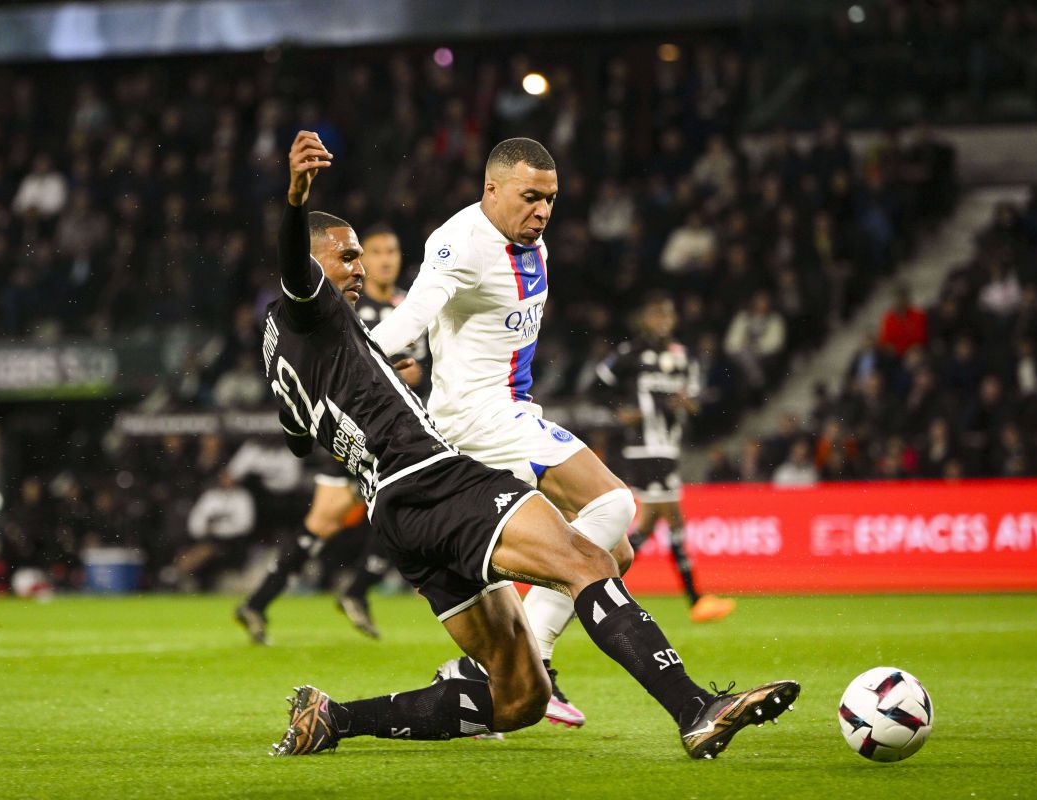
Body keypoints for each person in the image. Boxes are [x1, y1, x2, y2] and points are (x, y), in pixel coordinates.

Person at [264, 131, 798, 759]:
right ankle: (694, 708)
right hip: (437, 476)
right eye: (347, 258)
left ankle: (332, 718)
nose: (362, 270)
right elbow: (308, 277)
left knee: (520, 698)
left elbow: (299, 437)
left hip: (396, 512)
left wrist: (367, 381)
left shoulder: (281, 350)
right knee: (590, 558)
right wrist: (296, 198)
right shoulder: (316, 307)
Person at [370, 137, 640, 728]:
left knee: (614, 550)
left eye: (550, 199)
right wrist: (352, 363)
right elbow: (413, 317)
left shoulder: (530, 242)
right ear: (491, 189)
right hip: (477, 416)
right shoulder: (457, 242)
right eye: (529, 197)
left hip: (513, 412)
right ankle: (535, 653)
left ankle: (494, 667)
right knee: (613, 501)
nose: (542, 211)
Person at [235, 223, 421, 643]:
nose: (385, 260)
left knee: (375, 512)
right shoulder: (341, 304)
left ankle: (265, 602)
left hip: (391, 427)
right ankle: (343, 592)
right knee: (342, 518)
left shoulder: (409, 308)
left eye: (392, 251)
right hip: (351, 428)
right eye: (374, 253)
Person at [596, 293, 736, 623]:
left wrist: (689, 405)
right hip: (645, 447)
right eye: (656, 315)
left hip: (669, 446)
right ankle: (695, 599)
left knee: (652, 523)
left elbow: (696, 402)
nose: (663, 321)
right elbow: (598, 385)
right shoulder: (631, 354)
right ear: (646, 319)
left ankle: (596, 587)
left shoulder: (682, 356)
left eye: (667, 315)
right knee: (670, 517)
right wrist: (622, 412)